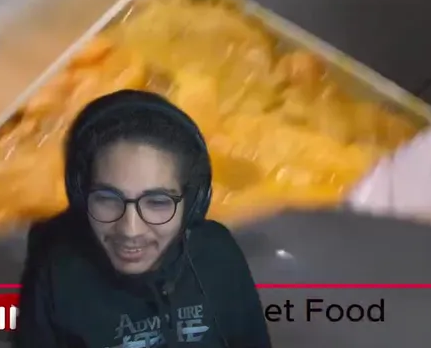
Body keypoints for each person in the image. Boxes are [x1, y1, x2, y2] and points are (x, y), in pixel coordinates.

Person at [14, 89, 271, 347]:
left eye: (157, 202)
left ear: (193, 202)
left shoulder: (218, 253)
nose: (130, 230)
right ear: (82, 194)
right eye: (108, 199)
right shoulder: (56, 273)